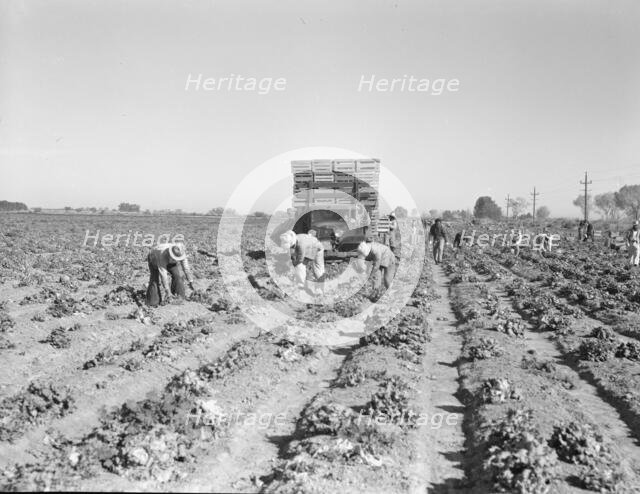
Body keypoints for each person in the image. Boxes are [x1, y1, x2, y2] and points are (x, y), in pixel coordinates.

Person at [146, 242, 194, 307]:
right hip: (154, 258)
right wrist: (168, 292)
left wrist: (190, 281)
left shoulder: (181, 253)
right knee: (154, 280)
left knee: (177, 276)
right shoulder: (162, 255)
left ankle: (179, 297)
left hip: (170, 261)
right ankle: (153, 302)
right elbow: (163, 276)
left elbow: (186, 268)